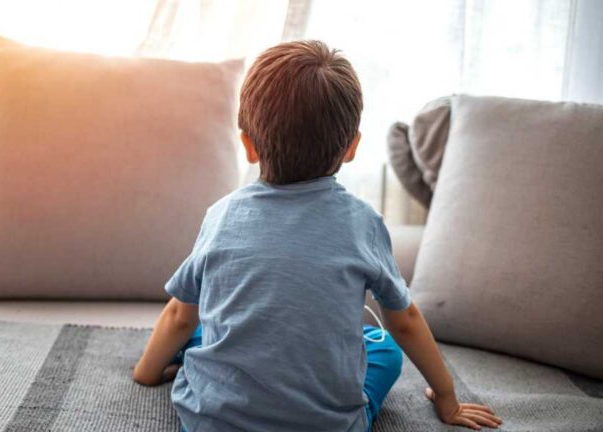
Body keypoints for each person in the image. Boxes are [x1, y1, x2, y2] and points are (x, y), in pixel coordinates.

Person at [133, 40, 502, 432]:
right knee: (383, 347)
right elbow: (406, 320)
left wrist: (146, 373)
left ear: (249, 145)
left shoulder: (222, 215)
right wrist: (447, 400)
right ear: (352, 147)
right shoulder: (363, 223)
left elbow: (178, 314)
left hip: (212, 422)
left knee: (204, 331)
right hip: (326, 427)